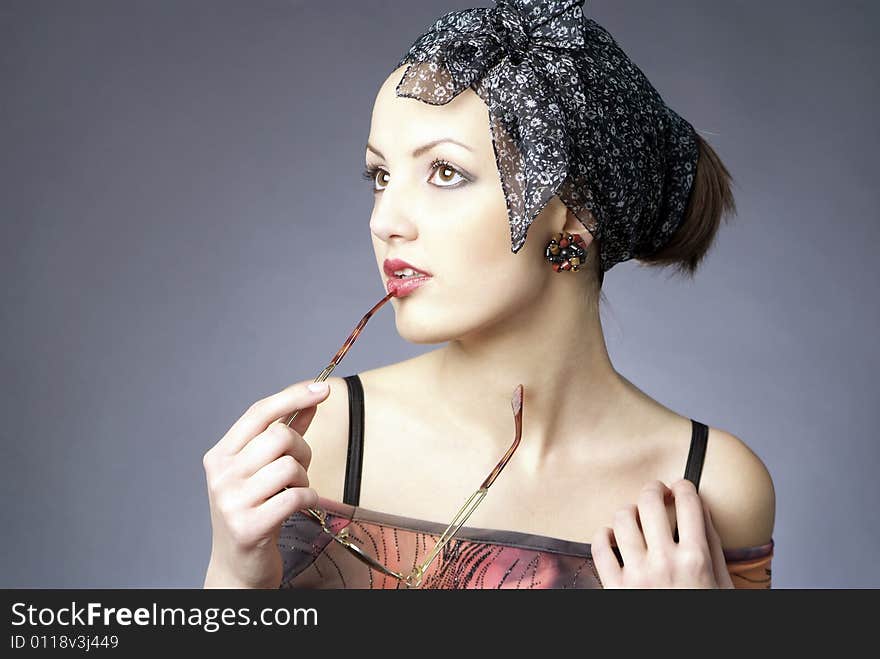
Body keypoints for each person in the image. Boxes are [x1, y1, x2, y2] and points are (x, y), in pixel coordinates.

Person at [203, 0, 775, 589]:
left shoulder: (713, 485)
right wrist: (233, 574)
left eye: (445, 172)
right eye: (381, 176)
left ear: (573, 216)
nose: (385, 221)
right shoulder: (319, 441)